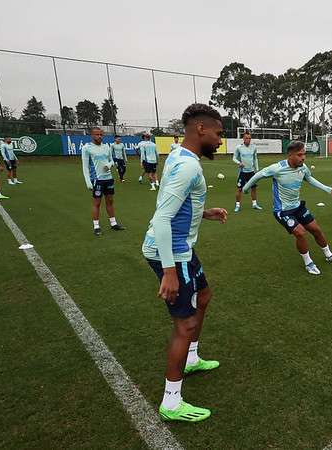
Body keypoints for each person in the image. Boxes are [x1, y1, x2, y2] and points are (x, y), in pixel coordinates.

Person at [142, 103, 227, 423]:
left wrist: (204, 212)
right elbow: (162, 217)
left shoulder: (178, 155)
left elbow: (170, 202)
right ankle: (171, 402)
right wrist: (168, 272)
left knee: (204, 296)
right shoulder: (188, 166)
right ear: (201, 129)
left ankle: (191, 358)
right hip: (170, 253)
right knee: (185, 324)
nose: (221, 141)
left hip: (181, 249)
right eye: (218, 134)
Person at [243, 141, 332, 275]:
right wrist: (245, 188)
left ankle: (329, 254)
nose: (303, 158)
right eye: (300, 155)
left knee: (316, 230)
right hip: (282, 211)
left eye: (304, 154)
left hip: (297, 207)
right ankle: (308, 263)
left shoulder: (303, 167)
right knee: (301, 233)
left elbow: (309, 178)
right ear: (290, 155)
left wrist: (325, 188)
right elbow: (258, 175)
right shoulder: (277, 168)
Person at [81, 127, 126, 236]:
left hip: (108, 178)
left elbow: (111, 161)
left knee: (110, 201)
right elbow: (85, 167)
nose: (99, 136)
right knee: (97, 203)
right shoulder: (87, 148)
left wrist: (109, 165)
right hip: (97, 180)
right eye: (97, 134)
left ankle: (113, 223)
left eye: (101, 134)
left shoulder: (107, 147)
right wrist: (88, 182)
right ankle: (96, 226)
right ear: (92, 135)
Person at [232, 132, 262, 212]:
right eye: (246, 138)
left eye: (249, 138)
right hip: (242, 172)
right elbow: (234, 158)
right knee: (239, 189)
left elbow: (255, 159)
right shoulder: (239, 147)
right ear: (243, 139)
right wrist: (239, 163)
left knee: (253, 188)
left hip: (251, 172)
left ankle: (254, 204)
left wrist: (257, 169)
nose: (248, 140)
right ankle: (237, 205)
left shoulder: (254, 147)